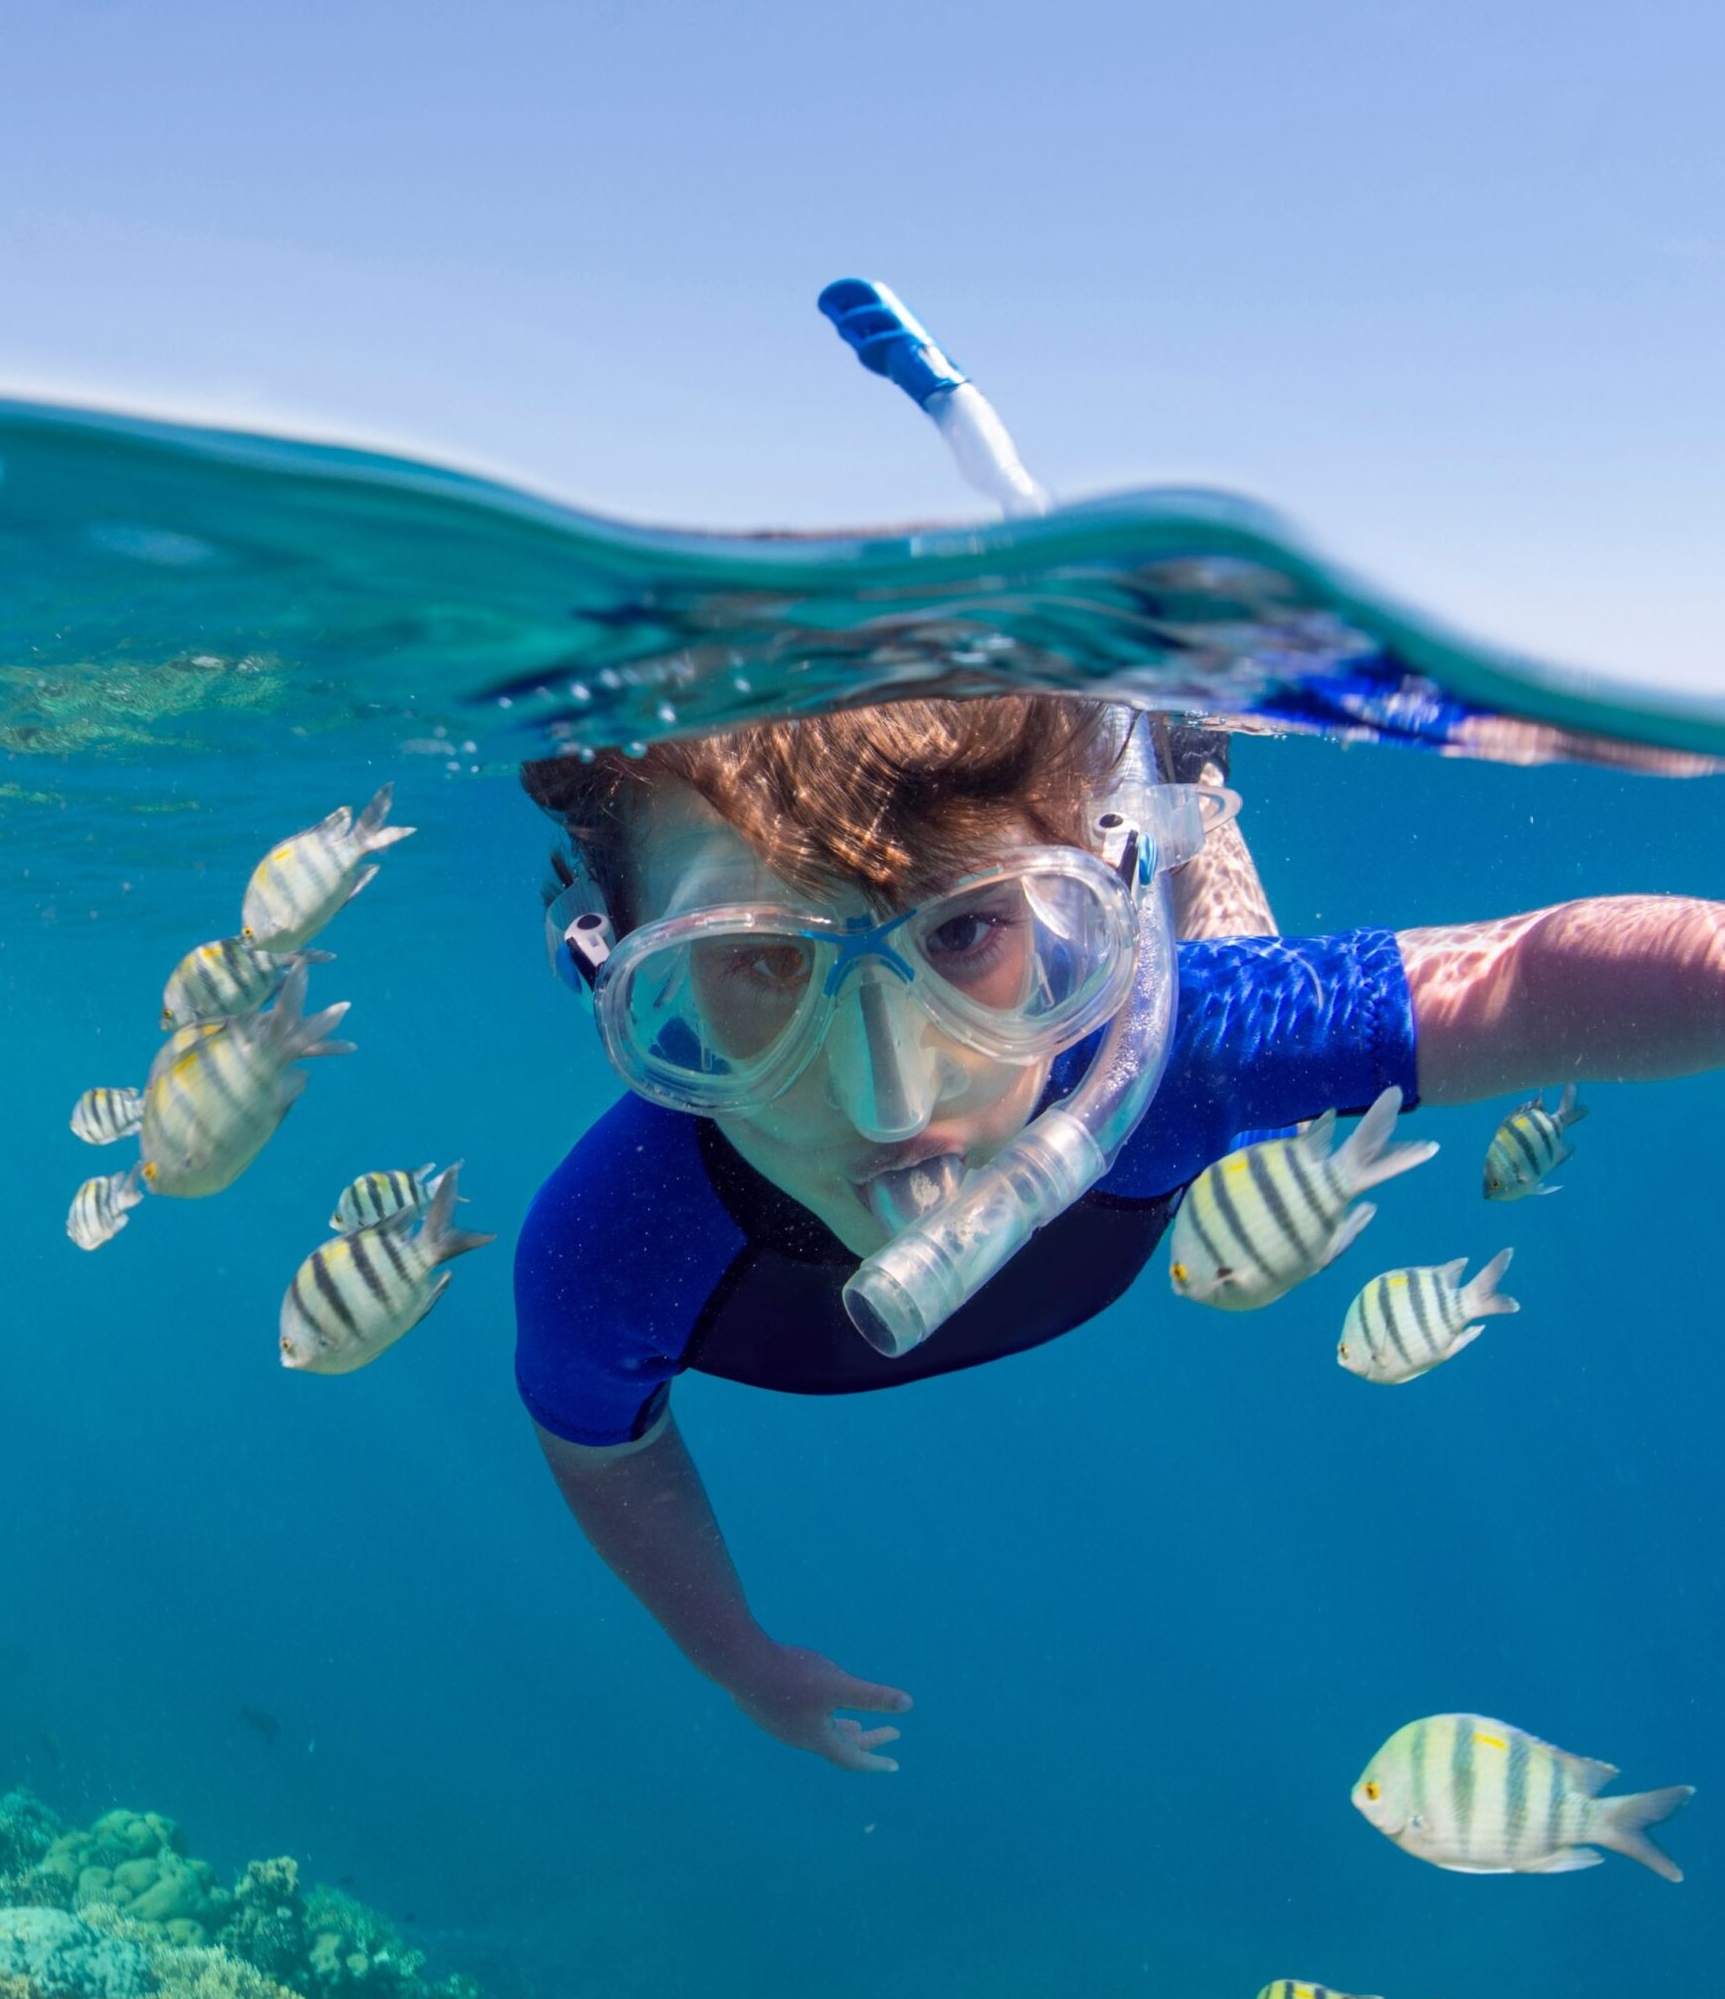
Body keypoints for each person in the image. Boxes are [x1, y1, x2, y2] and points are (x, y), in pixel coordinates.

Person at [515, 694, 1725, 1769]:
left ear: (1079, 894)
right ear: (605, 957)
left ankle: (1187, 781)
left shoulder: (1165, 1056)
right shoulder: (610, 1249)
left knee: (1246, 1003)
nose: (894, 1098)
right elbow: (607, 1457)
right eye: (758, 958)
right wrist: (738, 1657)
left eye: (965, 930)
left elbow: (1521, 977)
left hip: (1161, 1019)